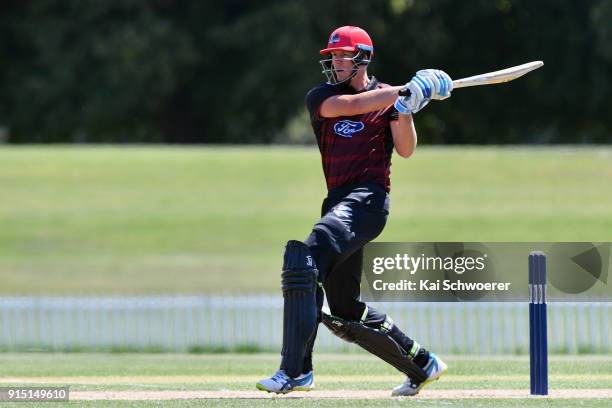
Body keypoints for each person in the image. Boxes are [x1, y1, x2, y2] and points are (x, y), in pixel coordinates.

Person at [256, 25, 453, 397]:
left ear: (362, 57)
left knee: (305, 258)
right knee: (345, 308)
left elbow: (407, 149)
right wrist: (403, 91)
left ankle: (295, 371)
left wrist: (407, 108)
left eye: (343, 56)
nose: (335, 62)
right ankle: (422, 363)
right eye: (332, 57)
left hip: (369, 201)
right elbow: (352, 106)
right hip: (338, 202)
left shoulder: (389, 100)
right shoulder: (322, 97)